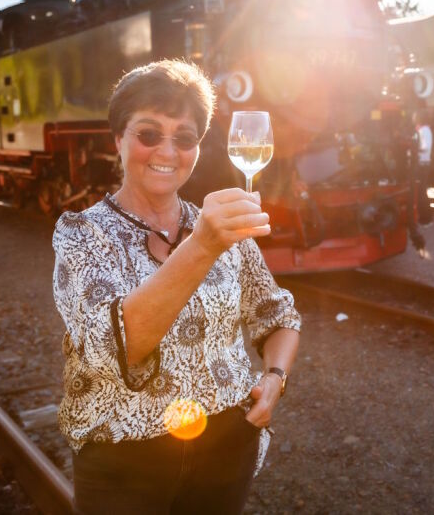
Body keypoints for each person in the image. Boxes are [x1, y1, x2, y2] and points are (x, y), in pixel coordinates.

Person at [52, 60, 301, 514]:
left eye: (184, 138)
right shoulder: (82, 235)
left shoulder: (218, 223)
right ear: (118, 141)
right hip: (123, 458)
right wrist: (203, 246)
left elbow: (278, 315)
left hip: (227, 447)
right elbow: (117, 351)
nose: (166, 151)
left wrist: (275, 378)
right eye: (148, 134)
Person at [414, 110, 434, 226]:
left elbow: (425, 147)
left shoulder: (424, 131)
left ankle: (426, 217)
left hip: (422, 164)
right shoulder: (423, 130)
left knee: (421, 191)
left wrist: (414, 150)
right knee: (421, 191)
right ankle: (425, 217)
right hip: (423, 163)